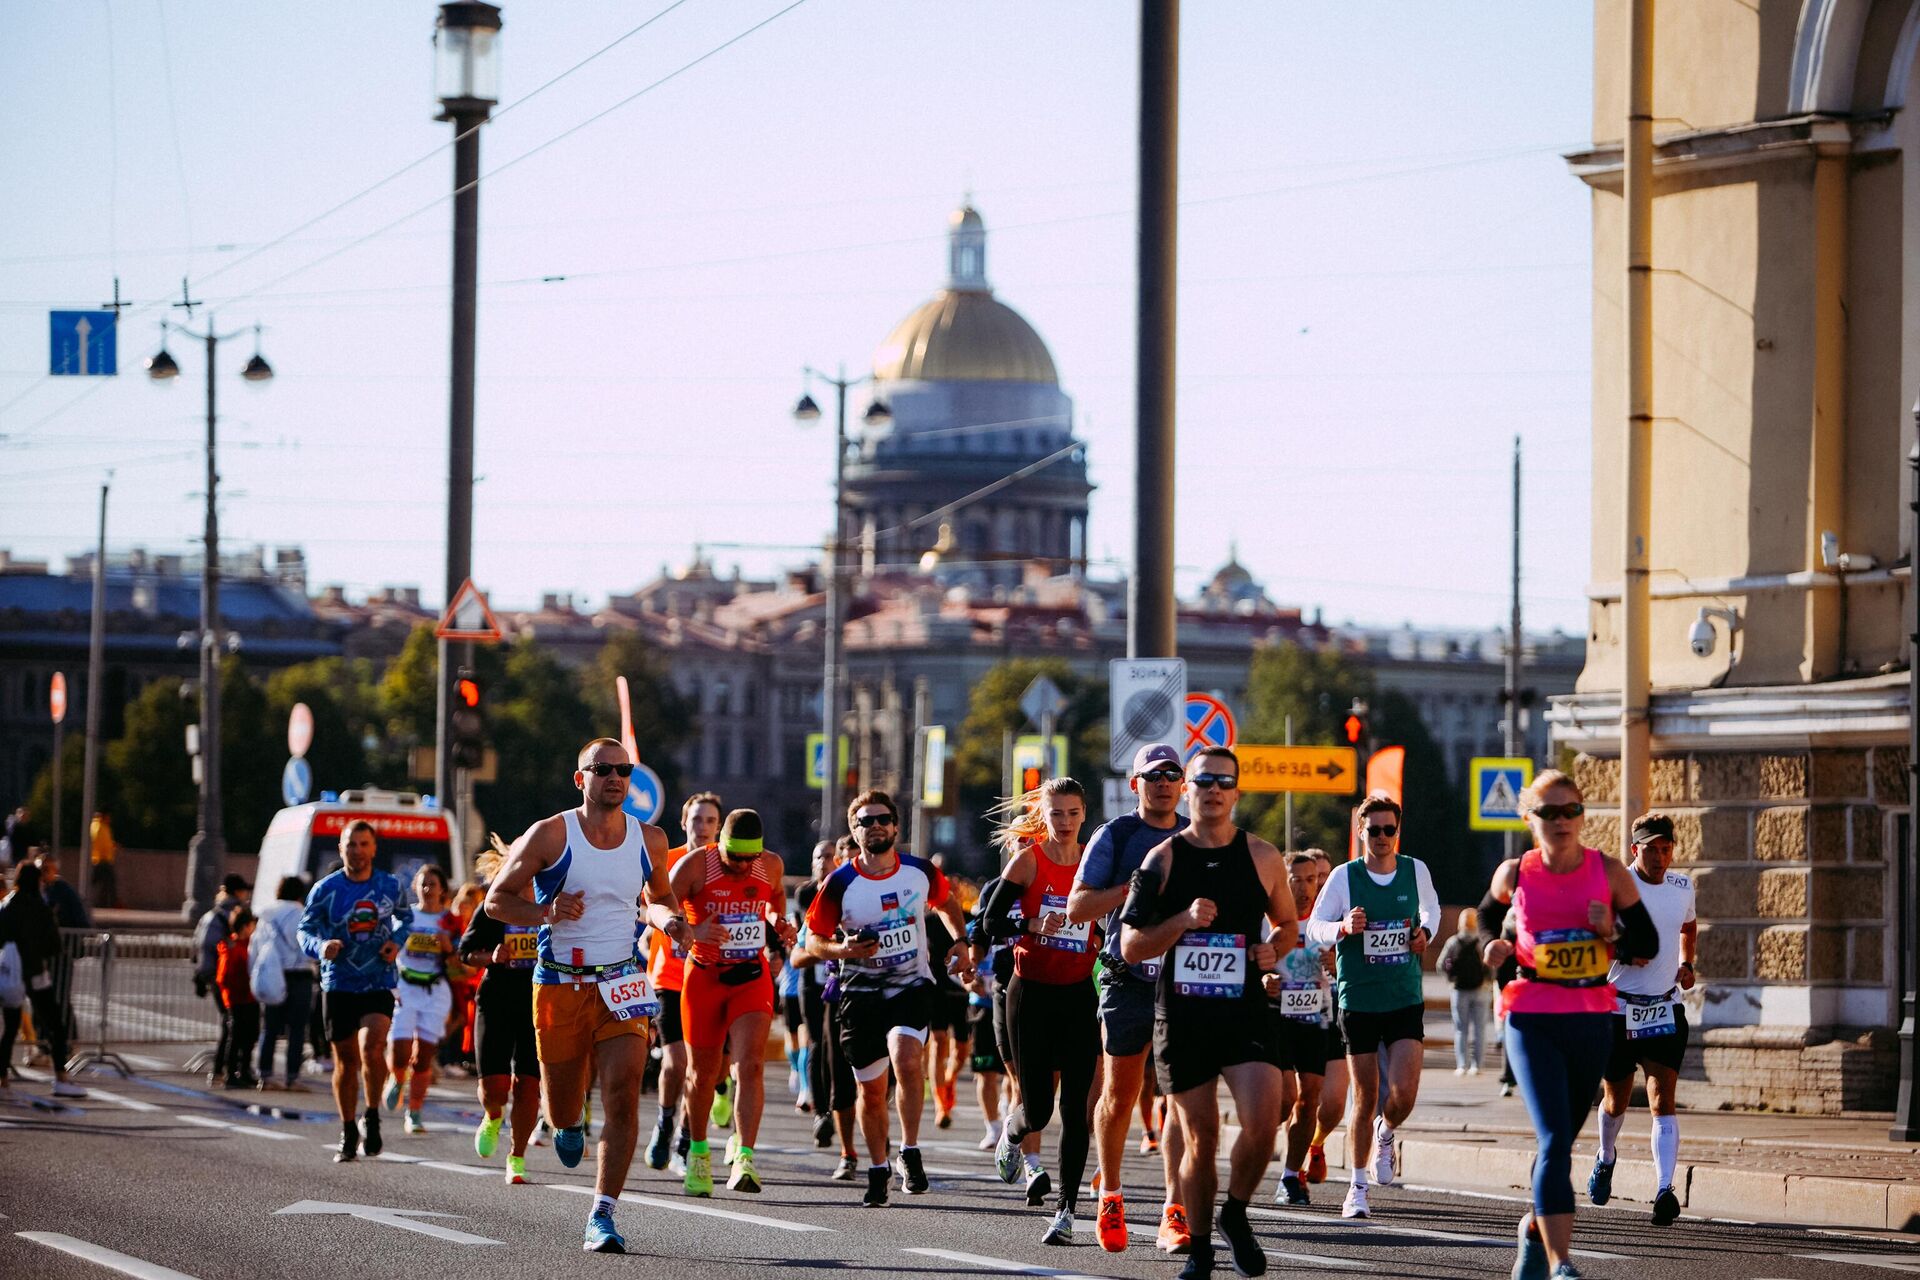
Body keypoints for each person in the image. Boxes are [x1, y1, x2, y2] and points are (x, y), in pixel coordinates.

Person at [484, 737, 691, 1254]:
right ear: (582, 779)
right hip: (558, 983)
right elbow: (496, 902)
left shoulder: (650, 839)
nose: (616, 778)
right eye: (604, 769)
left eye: (624, 770)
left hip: (621, 980)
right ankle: (566, 1122)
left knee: (623, 1093)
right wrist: (547, 913)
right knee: (563, 1110)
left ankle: (603, 1214)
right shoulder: (551, 835)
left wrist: (673, 923)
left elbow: (658, 898)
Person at [1120, 747, 1298, 1280]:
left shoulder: (1263, 856)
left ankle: (1236, 1213)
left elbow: (1287, 924)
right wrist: (1181, 920)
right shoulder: (1163, 860)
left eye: (1224, 781)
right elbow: (1131, 945)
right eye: (1203, 782)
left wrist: (1275, 949)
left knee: (1266, 1120)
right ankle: (1199, 1248)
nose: (1214, 790)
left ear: (1237, 792)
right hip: (1184, 1015)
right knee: (1201, 1137)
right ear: (1188, 791)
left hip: (1243, 1009)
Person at [1478, 769, 1657, 1280]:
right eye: (1549, 812)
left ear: (1582, 816)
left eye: (1570, 811)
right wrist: (1495, 944)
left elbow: (1647, 944)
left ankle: (1534, 1230)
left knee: (1561, 1140)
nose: (1561, 821)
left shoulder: (1610, 872)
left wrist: (1613, 931)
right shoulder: (1515, 873)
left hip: (1590, 1019)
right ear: (1529, 819)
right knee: (1555, 1138)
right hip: (1531, 1015)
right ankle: (1563, 1266)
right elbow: (1488, 917)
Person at [804, 789, 973, 1209]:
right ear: (854, 831)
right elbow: (813, 940)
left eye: (882, 819)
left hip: (910, 985)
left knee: (907, 1056)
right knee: (871, 1091)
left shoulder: (918, 871)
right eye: (865, 821)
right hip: (859, 994)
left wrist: (961, 942)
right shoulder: (839, 883)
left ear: (896, 827)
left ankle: (910, 1151)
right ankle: (878, 1167)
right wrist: (844, 951)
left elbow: (948, 903)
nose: (875, 825)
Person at [1067, 741, 1191, 1255]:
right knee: (1120, 1092)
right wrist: (1131, 889)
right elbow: (1077, 907)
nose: (1163, 781)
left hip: (1185, 979)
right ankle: (1112, 1195)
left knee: (1181, 1098)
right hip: (1126, 975)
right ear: (1135, 784)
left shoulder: (1198, 836)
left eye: (1172, 773)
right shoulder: (1116, 835)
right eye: (1152, 775)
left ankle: (1175, 1211)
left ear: (1183, 782)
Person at [1303, 792, 1440, 1219]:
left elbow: (1430, 911)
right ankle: (1356, 1189)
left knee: (1403, 1095)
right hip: (1359, 998)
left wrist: (1425, 935)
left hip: (1403, 995)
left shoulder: (1415, 870)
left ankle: (1387, 1131)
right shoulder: (1344, 877)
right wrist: (1342, 927)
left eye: (1389, 830)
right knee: (1364, 1097)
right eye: (1374, 830)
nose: (1382, 837)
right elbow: (1313, 929)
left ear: (1397, 832)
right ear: (1360, 832)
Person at [980, 778, 1100, 1245]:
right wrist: (1032, 923)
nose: (1065, 822)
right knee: (1039, 1110)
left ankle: (1066, 1211)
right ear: (1044, 816)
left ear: (1083, 814)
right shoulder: (1028, 861)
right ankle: (1014, 1130)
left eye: (1072, 813)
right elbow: (990, 922)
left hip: (1077, 996)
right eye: (1056, 814)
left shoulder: (1096, 861)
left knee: (1076, 1109)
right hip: (1030, 994)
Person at [672, 808, 796, 1196]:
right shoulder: (696, 866)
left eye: (750, 858)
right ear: (720, 846)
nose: (743, 866)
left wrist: (777, 920)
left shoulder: (770, 865)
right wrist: (691, 928)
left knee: (750, 1066)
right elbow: (652, 907)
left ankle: (744, 1155)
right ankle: (698, 1152)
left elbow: (774, 898)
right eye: (735, 857)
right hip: (705, 977)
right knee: (702, 1074)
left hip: (750, 976)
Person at [1589, 811, 1697, 1227]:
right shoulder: (1616, 887)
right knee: (1615, 1101)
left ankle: (1664, 1189)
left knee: (1662, 1101)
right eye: (1651, 849)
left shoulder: (1682, 886)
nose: (1660, 856)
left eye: (1666, 848)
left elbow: (1688, 927)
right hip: (1618, 1008)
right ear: (1635, 849)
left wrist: (1688, 964)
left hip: (1664, 1007)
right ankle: (1606, 1156)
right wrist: (1622, 952)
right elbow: (1590, 937)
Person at [299, 821, 411, 1163]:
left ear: (374, 849)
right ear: (341, 849)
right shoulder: (325, 889)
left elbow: (406, 919)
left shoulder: (390, 886)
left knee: (372, 1046)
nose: (358, 851)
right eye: (351, 845)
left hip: (378, 980)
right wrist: (321, 946)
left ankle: (373, 1113)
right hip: (339, 983)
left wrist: (396, 943)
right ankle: (348, 1128)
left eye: (364, 844)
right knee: (346, 1060)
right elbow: (305, 931)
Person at [644, 791, 721, 1174]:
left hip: (710, 978)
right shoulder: (668, 861)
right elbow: (647, 907)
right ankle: (664, 1121)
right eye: (696, 819)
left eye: (709, 821)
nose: (702, 827)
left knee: (703, 1070)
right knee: (676, 1062)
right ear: (683, 823)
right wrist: (682, 927)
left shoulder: (726, 866)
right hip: (669, 976)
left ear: (719, 827)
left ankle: (687, 1140)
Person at [460, 839, 543, 1184]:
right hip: (496, 998)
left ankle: (517, 1156)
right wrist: (490, 957)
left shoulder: (547, 902)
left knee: (528, 1086)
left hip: (537, 1002)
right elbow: (466, 951)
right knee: (495, 1087)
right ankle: (493, 1115)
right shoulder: (495, 902)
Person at [1270, 850, 1334, 1206]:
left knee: (1310, 1100)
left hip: (1314, 1018)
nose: (1306, 888)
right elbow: (1249, 963)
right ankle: (1257, 1149)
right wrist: (1264, 978)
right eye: (1296, 880)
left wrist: (1335, 965)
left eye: (1311, 880)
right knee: (1281, 1104)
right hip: (1274, 1018)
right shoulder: (1268, 922)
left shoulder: (1326, 923)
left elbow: (1344, 971)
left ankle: (1291, 1176)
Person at [796, 837, 861, 1178]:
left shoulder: (883, 891)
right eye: (847, 860)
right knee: (826, 1056)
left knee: (876, 1078)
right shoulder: (823, 898)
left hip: (882, 991)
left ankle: (895, 1152)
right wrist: (836, 948)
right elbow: (798, 953)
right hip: (831, 991)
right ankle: (846, 1149)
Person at [383, 864, 457, 1134]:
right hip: (405, 987)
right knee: (401, 1050)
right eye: (423, 884)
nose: (427, 889)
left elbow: (461, 962)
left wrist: (449, 948)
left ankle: (414, 1111)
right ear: (415, 886)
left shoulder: (449, 921)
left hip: (435, 990)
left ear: (442, 890)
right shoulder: (406, 918)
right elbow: (389, 949)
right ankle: (396, 1076)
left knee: (424, 1058)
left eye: (433, 884)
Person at [0, 862, 84, 1097]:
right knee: (55, 1024)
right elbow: (53, 945)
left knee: (10, 1027)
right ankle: (61, 1076)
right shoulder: (41, 908)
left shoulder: (6, 906)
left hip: (11, 972)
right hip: (35, 972)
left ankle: (3, 1078)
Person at [254, 876, 314, 1091]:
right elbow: (307, 945)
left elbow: (256, 946)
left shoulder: (266, 914)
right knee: (297, 1028)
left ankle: (265, 1075)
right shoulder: (301, 913)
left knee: (269, 1027)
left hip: (272, 973)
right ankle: (292, 1076)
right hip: (298, 974)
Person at [195, 874, 253, 1088]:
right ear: (237, 891)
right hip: (229, 976)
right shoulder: (233, 913)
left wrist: (201, 973)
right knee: (234, 1024)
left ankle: (223, 1069)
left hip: (213, 974)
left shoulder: (211, 914)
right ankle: (227, 1069)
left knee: (230, 1023)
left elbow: (199, 943)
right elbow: (217, 946)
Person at [1440, 907, 1490, 1075]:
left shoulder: (1453, 942)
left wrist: (1450, 980)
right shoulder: (1482, 942)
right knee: (1480, 1029)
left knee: (1461, 1029)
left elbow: (1441, 964)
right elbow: (1491, 964)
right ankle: (1477, 1065)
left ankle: (1462, 1065)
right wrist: (1488, 981)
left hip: (1459, 989)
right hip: (1481, 989)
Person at [216, 905, 261, 1089]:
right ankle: (231, 1072)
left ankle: (244, 1070)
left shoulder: (247, 945)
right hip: (238, 999)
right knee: (236, 1037)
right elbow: (224, 977)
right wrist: (241, 987)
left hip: (249, 997)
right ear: (245, 927)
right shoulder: (233, 947)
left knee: (250, 1035)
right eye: (252, 925)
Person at [87, 813, 118, 910]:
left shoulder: (102, 826)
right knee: (108, 881)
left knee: (103, 882)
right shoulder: (99, 827)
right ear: (104, 816)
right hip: (101, 860)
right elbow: (100, 843)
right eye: (108, 817)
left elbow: (106, 842)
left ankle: (104, 903)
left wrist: (112, 846)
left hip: (101, 859)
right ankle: (109, 903)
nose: (110, 819)